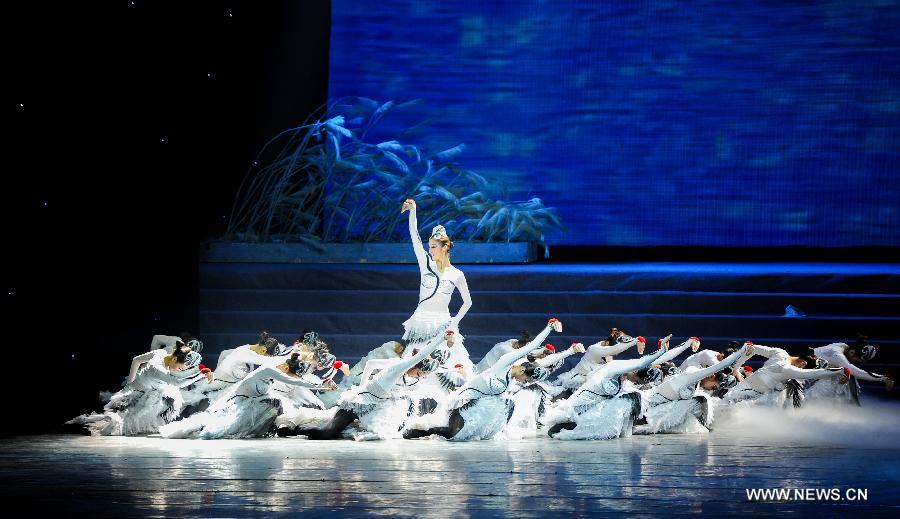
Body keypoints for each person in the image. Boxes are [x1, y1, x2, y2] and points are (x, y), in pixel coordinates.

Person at [402, 318, 563, 441]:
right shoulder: (505, 363)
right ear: (522, 369)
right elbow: (532, 345)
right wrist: (549, 327)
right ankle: (420, 432)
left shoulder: (514, 376)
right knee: (452, 435)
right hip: (462, 403)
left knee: (505, 405)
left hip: (478, 410)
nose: (524, 382)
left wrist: (567, 352)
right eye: (526, 379)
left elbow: (539, 361)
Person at [279, 332, 452, 440]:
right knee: (328, 433)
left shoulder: (409, 374)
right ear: (414, 365)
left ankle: (434, 431)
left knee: (394, 433)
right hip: (358, 404)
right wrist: (441, 338)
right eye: (419, 373)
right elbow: (421, 354)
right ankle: (295, 430)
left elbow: (372, 365)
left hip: (377, 407)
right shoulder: (400, 366)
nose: (420, 377)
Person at [159, 353, 331, 439]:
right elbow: (295, 381)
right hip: (235, 403)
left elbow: (296, 375)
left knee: (277, 404)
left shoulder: (280, 369)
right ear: (285, 369)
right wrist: (321, 386)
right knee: (215, 427)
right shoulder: (270, 368)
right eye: (290, 374)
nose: (290, 377)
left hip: (251, 402)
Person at [67, 342, 208, 436]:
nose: (179, 370)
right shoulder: (159, 370)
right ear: (174, 360)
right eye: (179, 368)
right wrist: (201, 374)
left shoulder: (159, 353)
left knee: (171, 397)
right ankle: (86, 427)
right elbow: (176, 383)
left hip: (140, 390)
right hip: (137, 395)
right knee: (121, 421)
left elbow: (136, 360)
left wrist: (130, 381)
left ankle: (86, 425)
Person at [400, 198, 474, 372]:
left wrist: (453, 324)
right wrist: (413, 211)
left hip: (442, 323)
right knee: (413, 365)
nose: (430, 250)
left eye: (433, 247)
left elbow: (468, 302)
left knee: (446, 367)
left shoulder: (457, 274)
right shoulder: (425, 264)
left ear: (444, 247)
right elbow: (414, 238)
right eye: (430, 246)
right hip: (421, 321)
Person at [544, 341, 670, 440]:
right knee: (562, 427)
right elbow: (640, 363)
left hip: (593, 406)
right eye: (637, 380)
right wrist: (662, 350)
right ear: (635, 372)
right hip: (581, 401)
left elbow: (649, 363)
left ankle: (568, 428)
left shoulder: (624, 379)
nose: (635, 383)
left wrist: (665, 353)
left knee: (591, 429)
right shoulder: (616, 367)